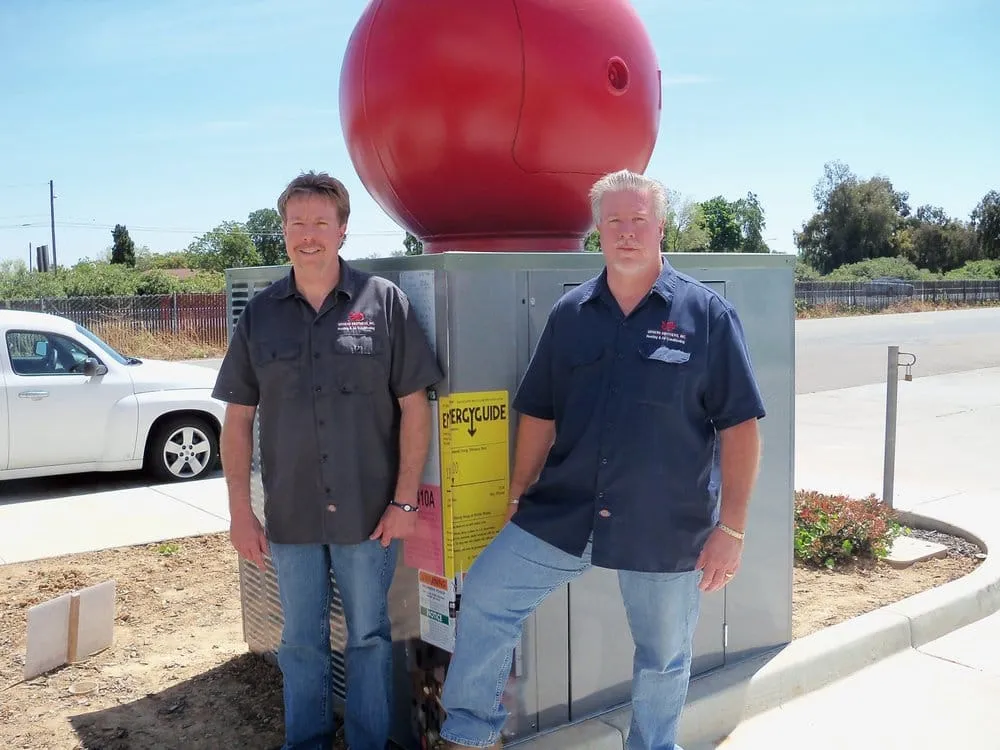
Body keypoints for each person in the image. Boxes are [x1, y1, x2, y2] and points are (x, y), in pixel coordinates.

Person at [438, 169, 766, 750]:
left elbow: (739, 427)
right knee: (487, 596)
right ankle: (468, 733)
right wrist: (518, 495)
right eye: (613, 220)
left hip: (665, 525)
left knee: (663, 657)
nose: (626, 232)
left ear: (660, 227)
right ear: (598, 231)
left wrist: (732, 529)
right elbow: (539, 411)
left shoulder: (706, 316)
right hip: (565, 510)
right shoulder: (571, 314)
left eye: (638, 219)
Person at [212, 171, 443, 750]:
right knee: (300, 640)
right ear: (283, 231)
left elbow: (415, 408)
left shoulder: (382, 303)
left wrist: (405, 500)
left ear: (342, 229)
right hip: (290, 516)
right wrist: (240, 511)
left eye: (320, 223)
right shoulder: (260, 315)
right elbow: (237, 420)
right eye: (296, 224)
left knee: (366, 636)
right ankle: (306, 741)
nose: (307, 235)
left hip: (369, 515)